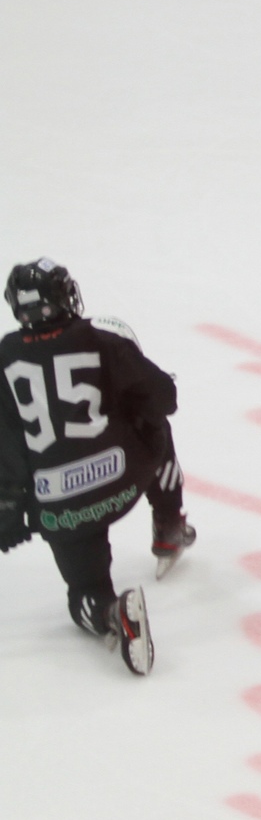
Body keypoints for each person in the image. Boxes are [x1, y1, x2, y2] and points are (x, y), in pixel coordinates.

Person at [1, 260, 194, 676]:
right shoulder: (102, 339)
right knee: (153, 425)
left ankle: (112, 613)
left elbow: (7, 448)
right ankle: (169, 526)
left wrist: (9, 507)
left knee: (84, 592)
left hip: (62, 511)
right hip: (122, 478)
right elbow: (163, 399)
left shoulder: (3, 359)